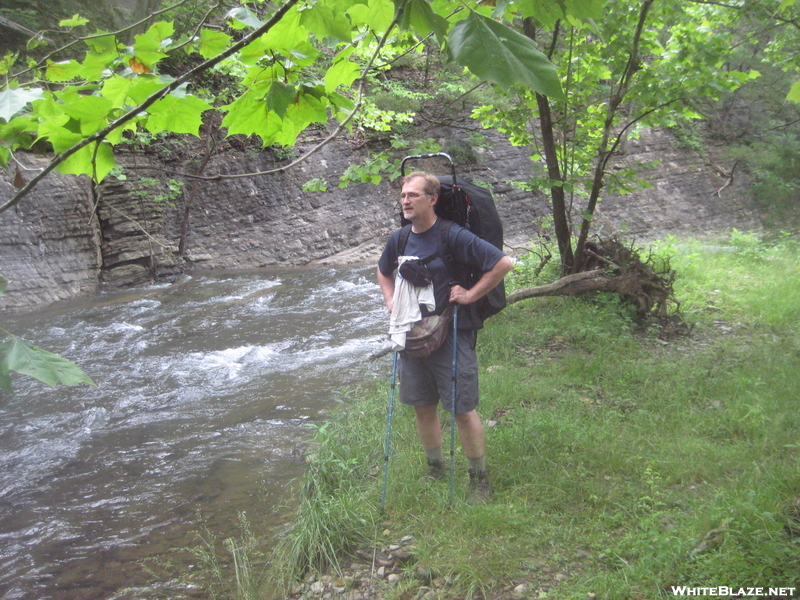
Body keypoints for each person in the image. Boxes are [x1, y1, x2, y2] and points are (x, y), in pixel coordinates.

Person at [376, 171, 514, 504]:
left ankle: (479, 478)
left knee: (462, 409)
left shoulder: (453, 235)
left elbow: (502, 263)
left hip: (451, 332)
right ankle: (435, 467)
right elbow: (383, 270)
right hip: (412, 334)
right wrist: (392, 301)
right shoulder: (399, 238)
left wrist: (469, 294)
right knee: (423, 407)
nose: (406, 201)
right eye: (403, 196)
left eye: (413, 196)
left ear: (432, 199)